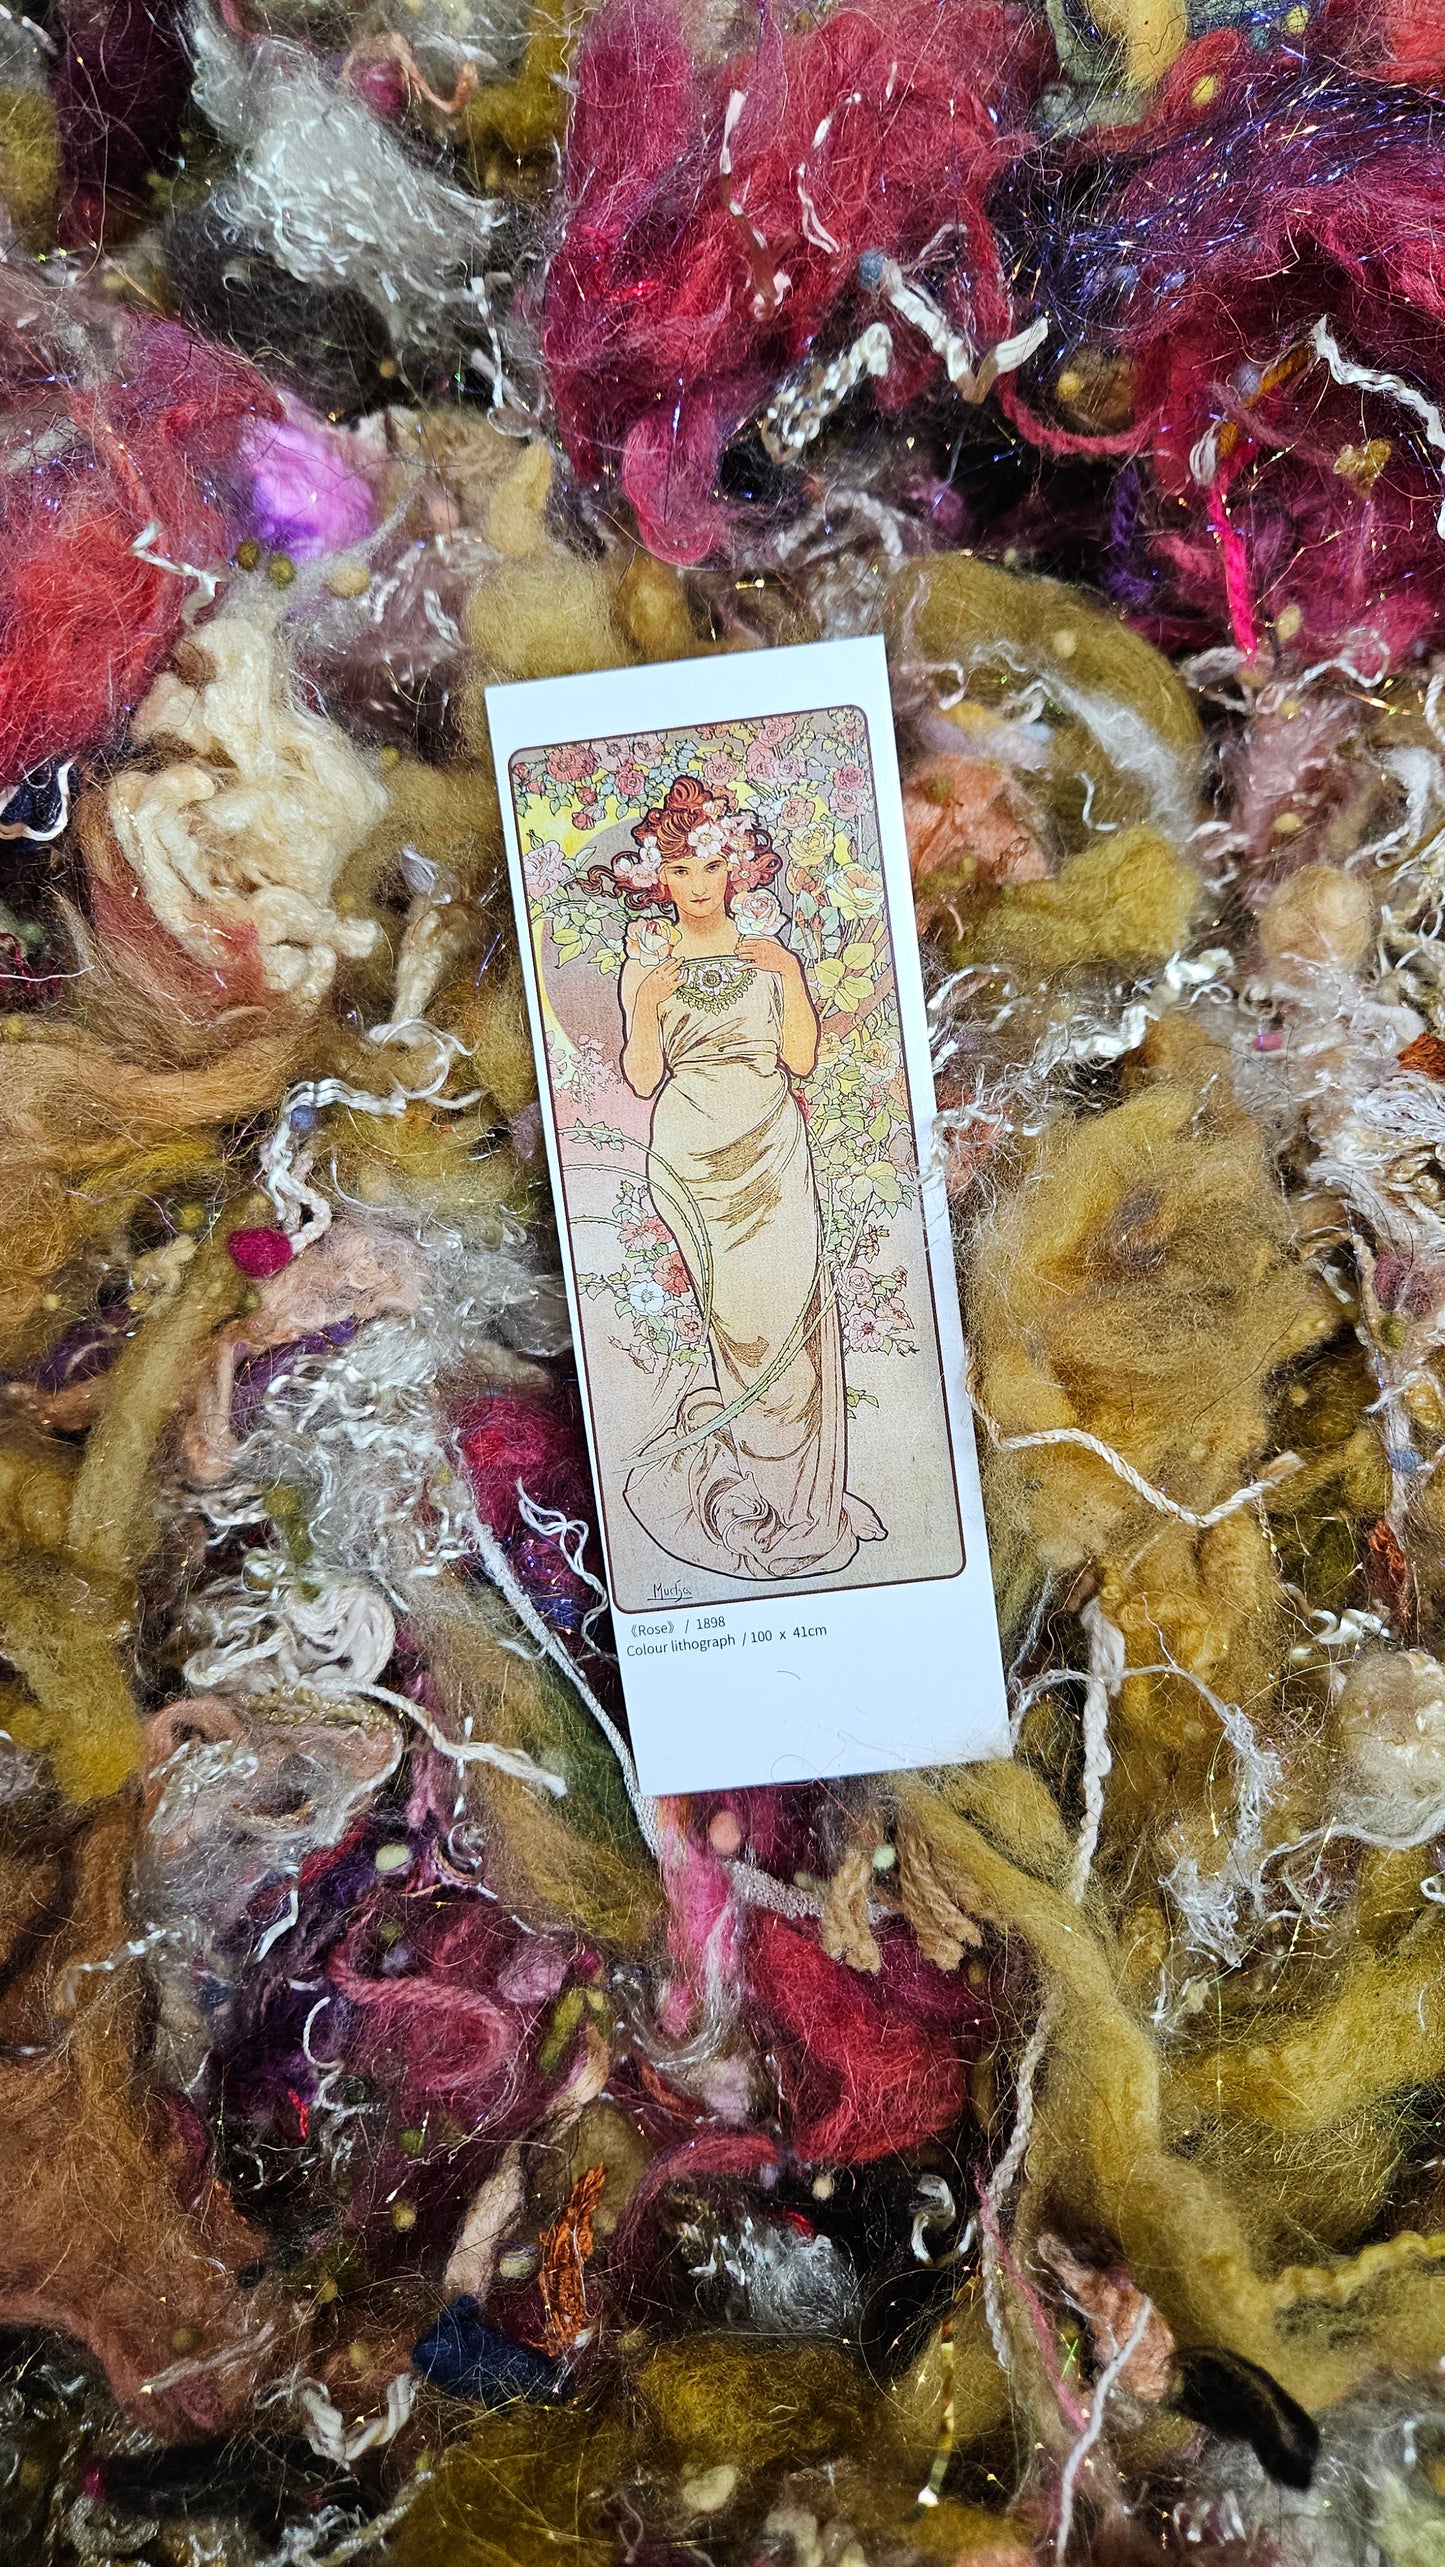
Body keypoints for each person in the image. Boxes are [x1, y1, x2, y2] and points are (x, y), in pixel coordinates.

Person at [613, 774, 885, 1582]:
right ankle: (772, 1494)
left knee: (788, 1319)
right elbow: (641, 1077)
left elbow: (799, 1057)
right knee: (737, 1326)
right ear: (658, 879)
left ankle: (809, 1498)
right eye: (679, 870)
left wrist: (791, 977)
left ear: (735, 867)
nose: (697, 885)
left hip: (770, 1145)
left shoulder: (770, 956)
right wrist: (645, 1004)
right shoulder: (646, 965)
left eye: (709, 865)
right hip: (693, 1156)